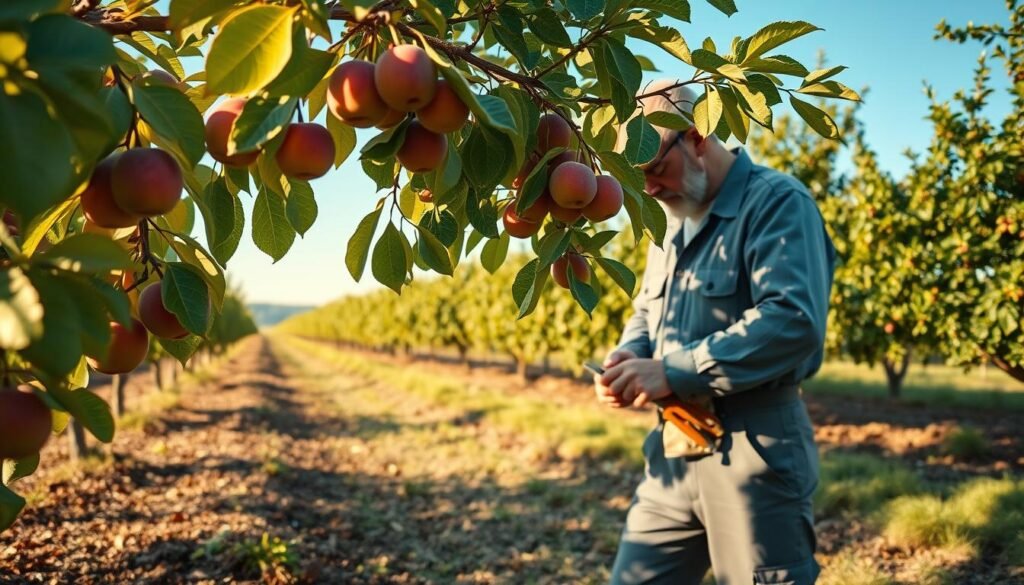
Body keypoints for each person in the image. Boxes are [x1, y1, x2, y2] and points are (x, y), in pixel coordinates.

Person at [596, 79, 836, 584]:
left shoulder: (775, 203)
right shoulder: (668, 222)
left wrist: (672, 370)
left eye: (656, 169)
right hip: (673, 450)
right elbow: (647, 310)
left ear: (698, 136)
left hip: (755, 452)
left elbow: (793, 321)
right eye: (638, 180)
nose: (651, 189)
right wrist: (626, 358)